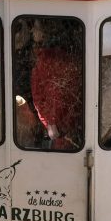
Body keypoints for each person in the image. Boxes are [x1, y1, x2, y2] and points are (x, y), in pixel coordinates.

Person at [30, 19, 83, 150]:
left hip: (60, 128)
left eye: (36, 27)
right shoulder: (71, 55)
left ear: (44, 33)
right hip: (73, 123)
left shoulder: (45, 61)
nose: (32, 31)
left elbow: (41, 98)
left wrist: (50, 124)